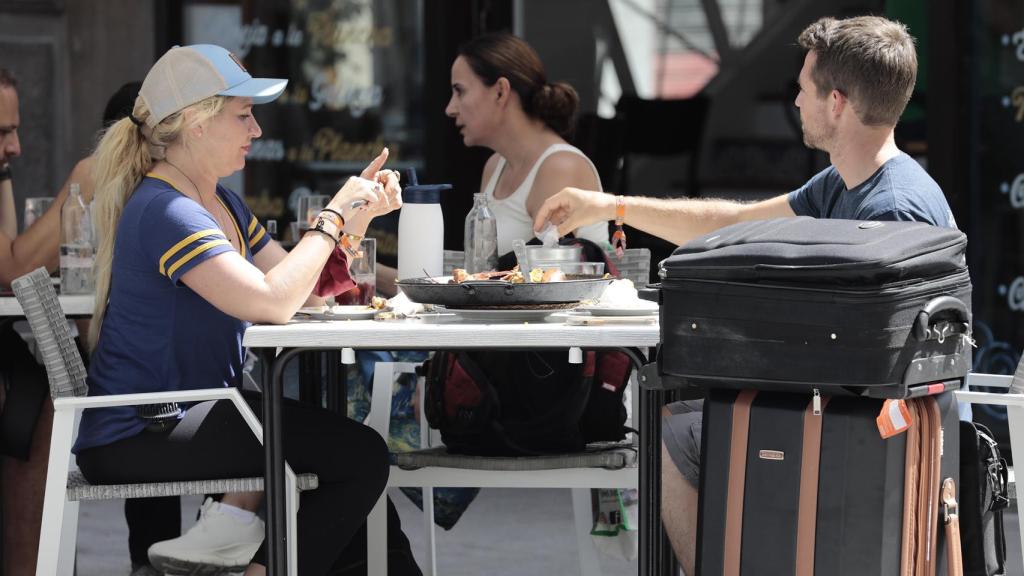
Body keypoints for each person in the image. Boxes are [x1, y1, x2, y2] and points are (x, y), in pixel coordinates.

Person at [532, 15, 956, 575]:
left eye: (802, 89)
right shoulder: (850, 183)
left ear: (836, 102)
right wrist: (611, 206)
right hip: (862, 418)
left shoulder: (888, 213)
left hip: (871, 438)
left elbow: (870, 374)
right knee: (693, 414)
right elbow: (735, 222)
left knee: (676, 434)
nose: (796, 101)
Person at [72, 44, 405, 576]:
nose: (257, 131)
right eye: (243, 115)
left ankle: (252, 556)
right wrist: (333, 214)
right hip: (142, 433)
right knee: (359, 458)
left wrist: (354, 219)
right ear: (197, 124)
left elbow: (307, 291)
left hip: (192, 413)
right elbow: (272, 304)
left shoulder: (219, 201)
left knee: (354, 457)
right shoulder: (167, 209)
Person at [445, 32, 609, 256]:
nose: (451, 109)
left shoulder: (559, 167)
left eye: (459, 91)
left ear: (501, 91)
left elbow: (548, 281)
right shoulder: (495, 166)